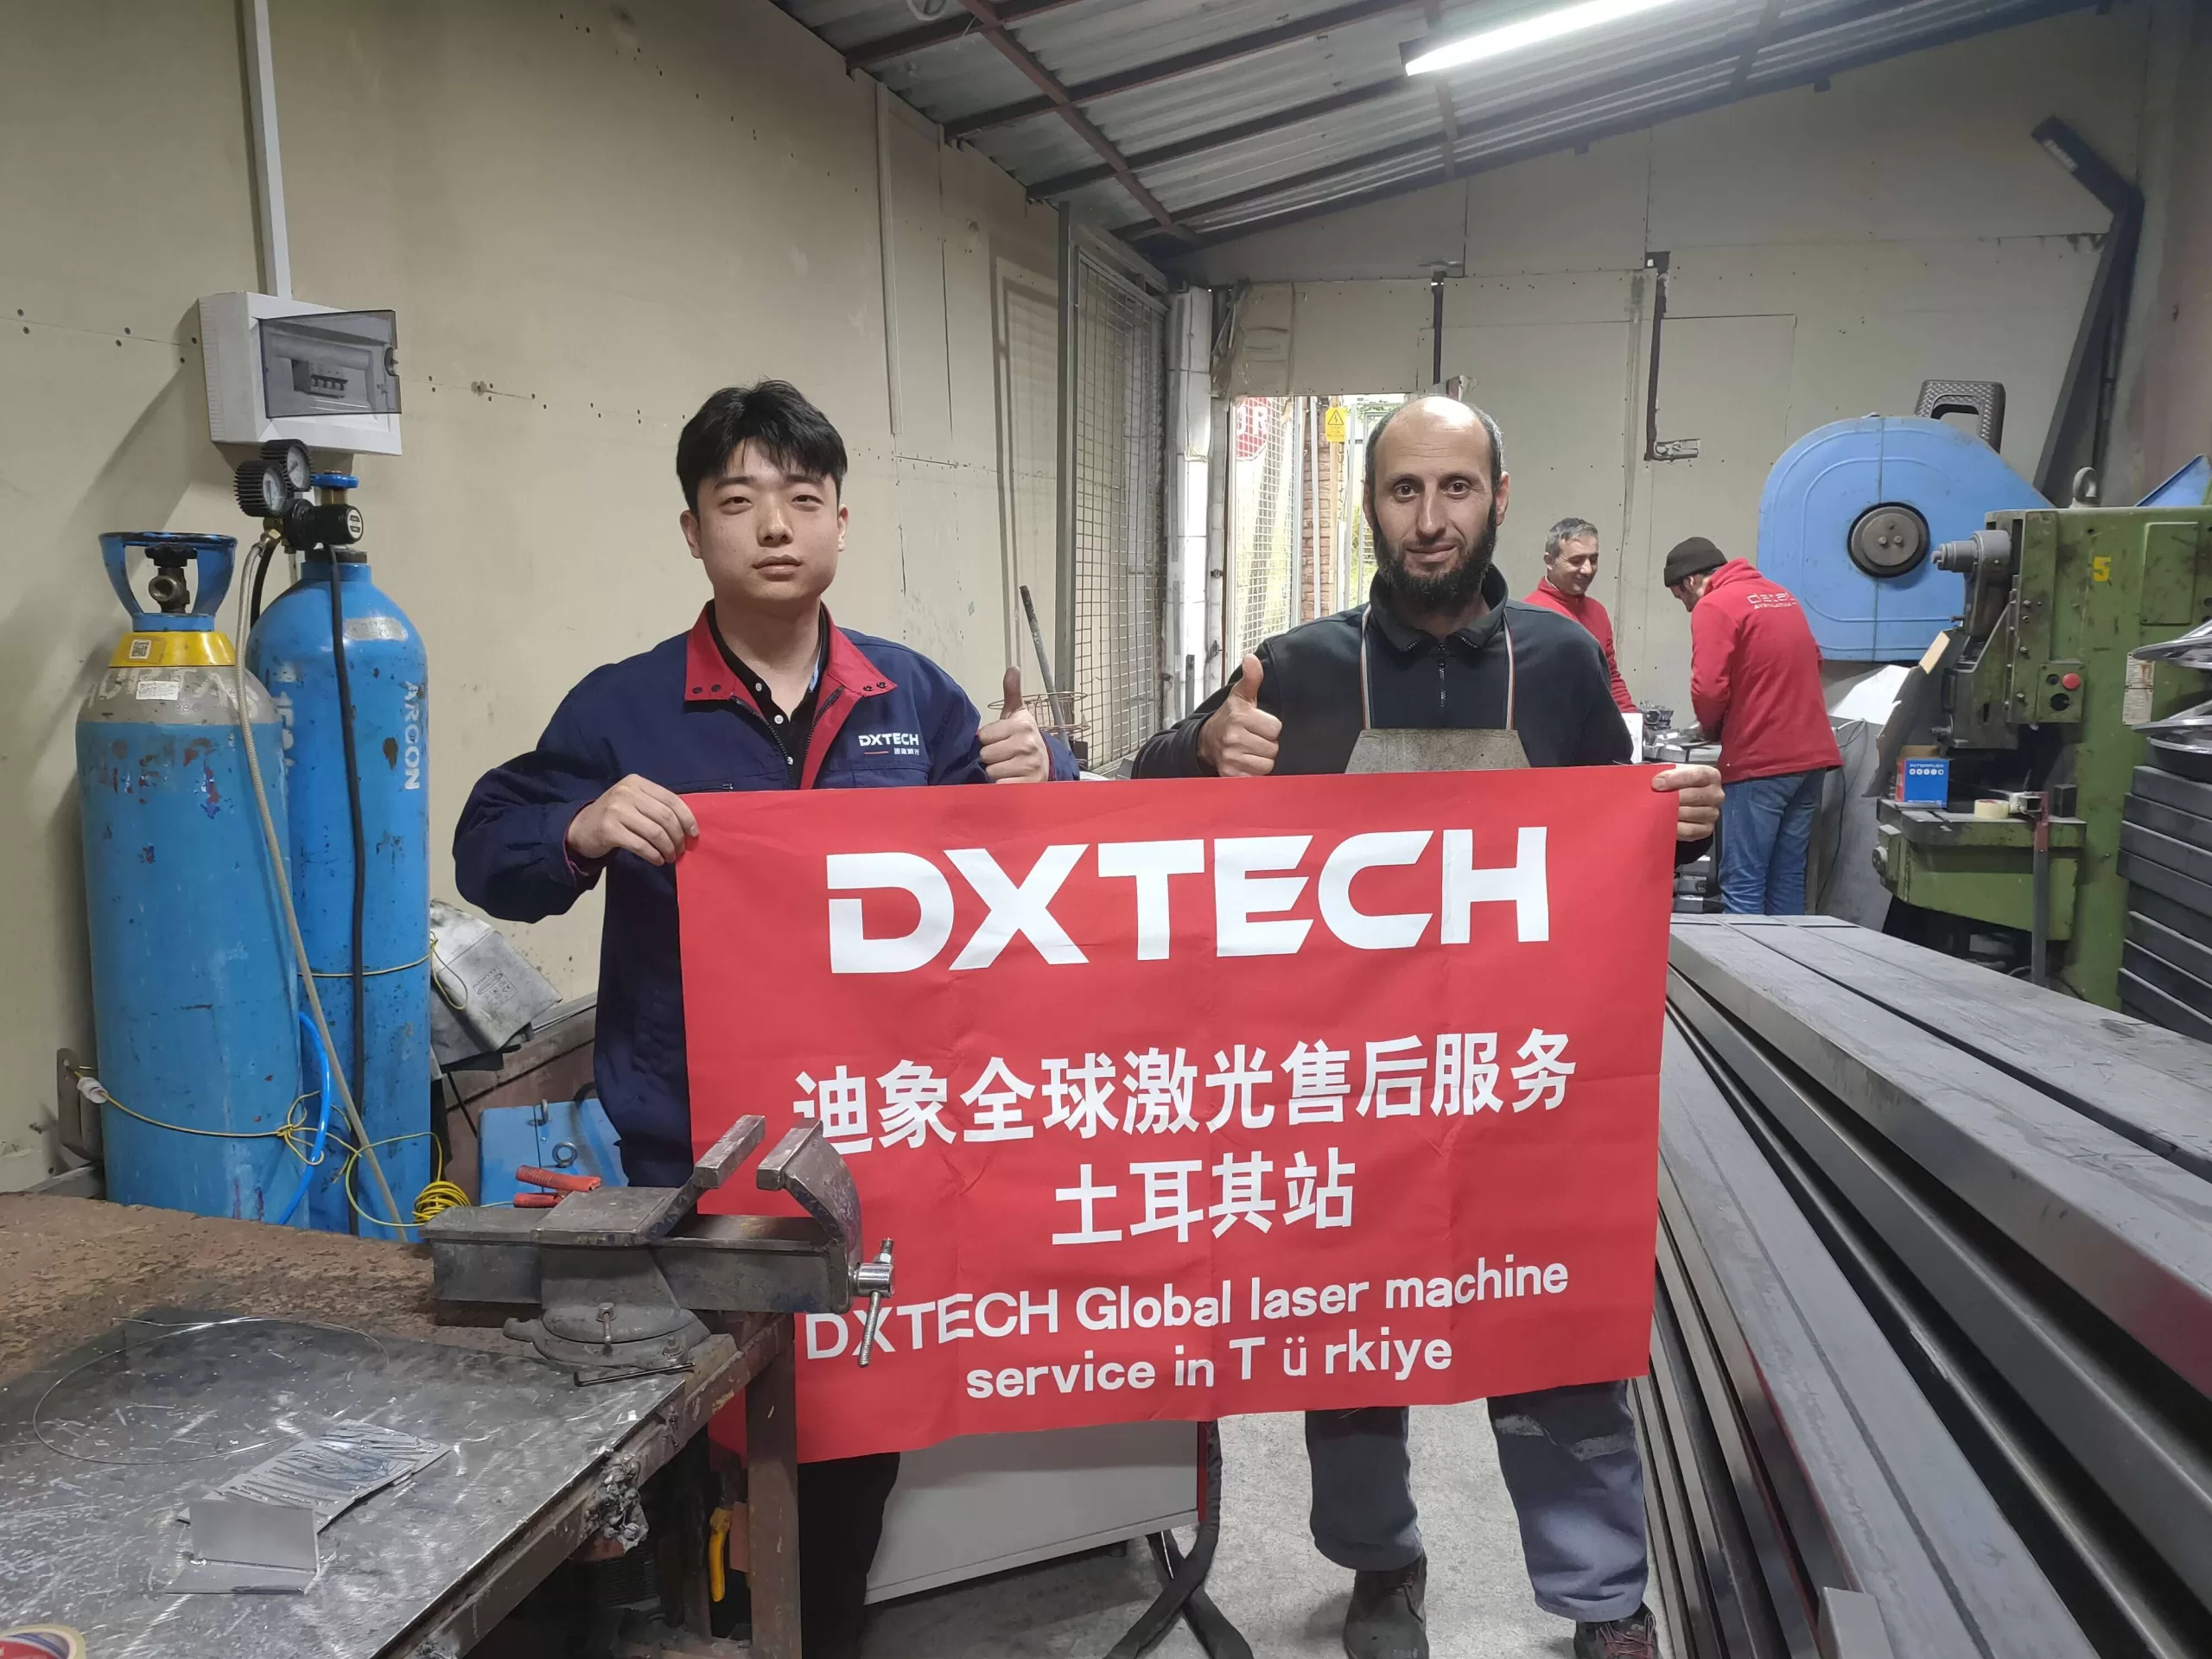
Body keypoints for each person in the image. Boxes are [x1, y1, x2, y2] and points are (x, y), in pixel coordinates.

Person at [454, 380, 1075, 1657]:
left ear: (842, 520)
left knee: (850, 1438)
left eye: (802, 498)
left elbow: (1019, 878)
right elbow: (487, 851)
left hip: (874, 1140)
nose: (774, 526)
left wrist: (1043, 774)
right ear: (693, 531)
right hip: (688, 1148)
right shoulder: (625, 709)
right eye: (738, 501)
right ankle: (695, 1619)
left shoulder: (913, 700)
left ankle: (822, 1631)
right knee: (680, 1432)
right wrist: (578, 827)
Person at [1135, 396, 1721, 1659]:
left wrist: (1677, 828)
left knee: (1555, 1340)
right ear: (1371, 505)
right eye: (1404, 490)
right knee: (1354, 1353)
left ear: (1498, 499)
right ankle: (1380, 1565)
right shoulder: (1295, 669)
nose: (1431, 517)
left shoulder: (1560, 667)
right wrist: (1199, 747)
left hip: (1526, 1085)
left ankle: (1600, 1599)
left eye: (1456, 488)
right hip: (1351, 1091)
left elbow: (1609, 864)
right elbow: (1140, 810)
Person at [1663, 536, 1840, 915]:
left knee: (1743, 883)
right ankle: (1784, 957)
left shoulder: (1714, 604)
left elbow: (1708, 688)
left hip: (1761, 762)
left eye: (1682, 598)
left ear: (1690, 581)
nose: (1688, 606)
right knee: (1787, 879)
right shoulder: (1781, 596)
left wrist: (1711, 729)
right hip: (1811, 759)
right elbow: (1815, 660)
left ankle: (1742, 958)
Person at [1523, 516, 1636, 713]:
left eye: (1593, 560)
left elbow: (1610, 677)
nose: (1587, 570)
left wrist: (1632, 719)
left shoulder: (1597, 612)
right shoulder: (1529, 615)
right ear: (1550, 561)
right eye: (1576, 561)